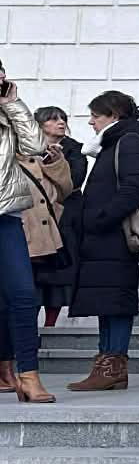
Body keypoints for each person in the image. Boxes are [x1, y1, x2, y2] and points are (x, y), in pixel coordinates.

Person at [65, 91, 139, 395]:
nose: (91, 122)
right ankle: (107, 367)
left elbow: (134, 188)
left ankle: (111, 367)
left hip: (113, 237)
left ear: (113, 115)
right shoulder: (116, 141)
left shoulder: (130, 140)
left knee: (116, 302)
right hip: (104, 239)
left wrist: (99, 219)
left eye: (96, 115)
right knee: (108, 302)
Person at [0, 68, 56, 402]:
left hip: (5, 216)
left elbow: (36, 146)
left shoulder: (7, 116)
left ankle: (29, 376)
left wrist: (13, 104)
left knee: (22, 295)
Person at [31, 106, 84, 325]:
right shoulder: (26, 148)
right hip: (34, 219)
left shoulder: (73, 149)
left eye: (63, 118)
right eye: (53, 119)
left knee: (59, 275)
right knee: (31, 277)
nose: (60, 122)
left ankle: (50, 324)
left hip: (65, 220)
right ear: (41, 124)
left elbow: (75, 181)